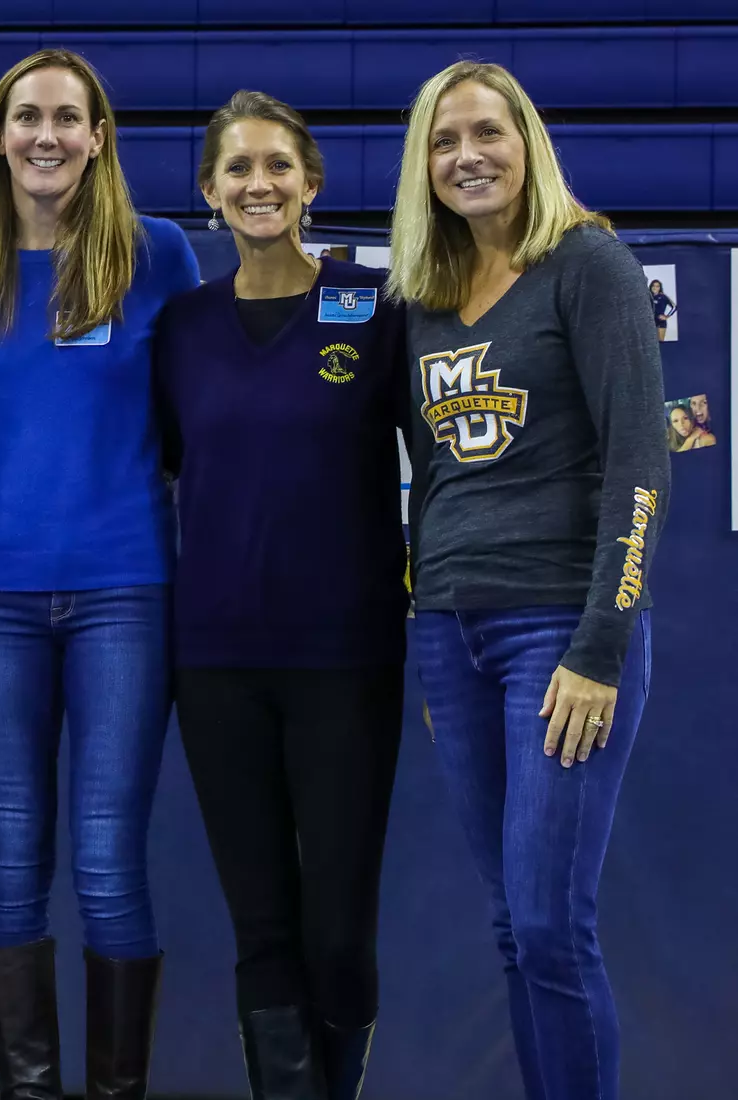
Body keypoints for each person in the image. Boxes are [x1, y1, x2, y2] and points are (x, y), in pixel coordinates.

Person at [0, 48, 200, 1098]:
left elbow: (191, 418)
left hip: (127, 590)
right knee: (10, 857)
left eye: (66, 119)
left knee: (106, 857)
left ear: (98, 136)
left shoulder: (159, 255)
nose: (45, 135)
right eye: (25, 116)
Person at [388, 60, 668, 1100]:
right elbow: (424, 480)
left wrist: (600, 646)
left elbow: (641, 465)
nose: (468, 156)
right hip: (449, 634)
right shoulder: (418, 297)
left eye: (488, 134)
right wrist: (425, 626)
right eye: (444, 140)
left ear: (528, 143)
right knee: (514, 920)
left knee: (553, 919)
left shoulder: (586, 263)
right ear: (423, 164)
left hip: (559, 631)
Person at [156, 90, 410, 1100]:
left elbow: (432, 469)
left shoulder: (373, 307)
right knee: (260, 924)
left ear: (312, 183)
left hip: (347, 660)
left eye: (276, 166)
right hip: (215, 661)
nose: (257, 184)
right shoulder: (181, 326)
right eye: (237, 169)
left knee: (337, 923)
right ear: (208, 193)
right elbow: (177, 466)